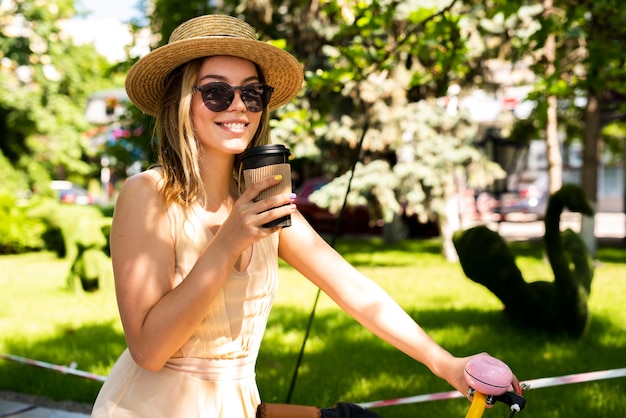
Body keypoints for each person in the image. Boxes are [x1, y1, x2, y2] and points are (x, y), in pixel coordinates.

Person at [91, 14, 521, 418]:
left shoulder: (265, 201)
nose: (238, 105)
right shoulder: (147, 196)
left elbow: (353, 288)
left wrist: (446, 364)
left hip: (239, 405)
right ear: (182, 102)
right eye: (216, 91)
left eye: (252, 92)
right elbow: (148, 351)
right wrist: (227, 242)